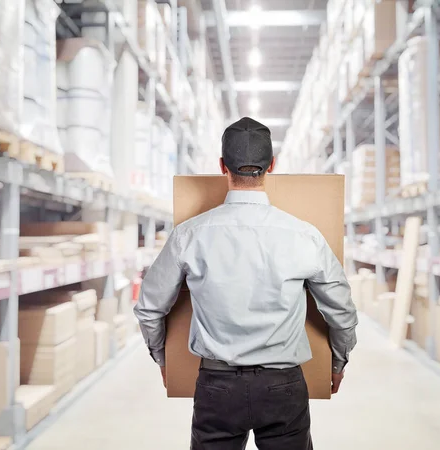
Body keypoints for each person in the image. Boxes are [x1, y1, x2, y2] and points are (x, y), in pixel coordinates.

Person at [134, 117, 358, 450]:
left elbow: (149, 308)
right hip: (283, 386)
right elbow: (341, 309)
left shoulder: (189, 235)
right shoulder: (304, 235)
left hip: (216, 385)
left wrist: (163, 358)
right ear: (272, 166)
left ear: (222, 166)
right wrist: (338, 361)